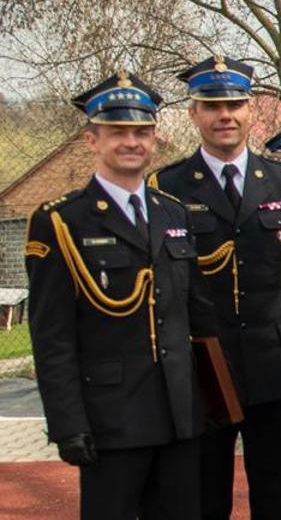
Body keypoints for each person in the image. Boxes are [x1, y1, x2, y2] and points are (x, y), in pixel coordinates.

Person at [28, 72, 219, 520]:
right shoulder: (62, 221)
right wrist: (67, 424)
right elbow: (51, 336)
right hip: (111, 419)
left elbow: (198, 317)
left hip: (180, 415)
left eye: (141, 132)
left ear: (155, 138)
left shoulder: (172, 213)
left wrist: (213, 399)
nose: (131, 142)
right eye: (117, 133)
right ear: (92, 140)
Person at [150, 56, 281, 520]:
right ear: (193, 114)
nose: (225, 114)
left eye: (235, 104)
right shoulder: (167, 185)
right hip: (203, 365)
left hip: (274, 364)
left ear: (250, 111)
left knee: (278, 496)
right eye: (212, 104)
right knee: (203, 496)